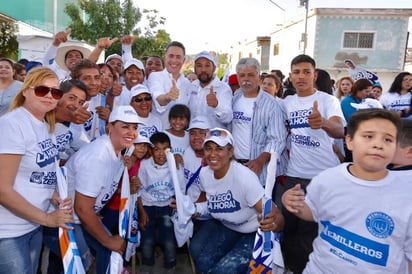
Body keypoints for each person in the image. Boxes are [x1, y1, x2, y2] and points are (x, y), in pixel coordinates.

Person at [282, 108, 412, 273]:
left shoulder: (406, 195)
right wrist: (292, 202)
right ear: (349, 141)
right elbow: (313, 213)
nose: (378, 144)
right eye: (368, 136)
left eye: (388, 139)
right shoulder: (328, 178)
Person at [0, 67, 73, 273]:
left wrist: (53, 194)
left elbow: (37, 171)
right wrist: (48, 219)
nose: (50, 96)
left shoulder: (43, 124)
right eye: (42, 90)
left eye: (56, 92)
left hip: (32, 226)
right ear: (25, 91)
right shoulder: (12, 125)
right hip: (8, 232)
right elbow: (2, 189)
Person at [280, 54, 345, 274]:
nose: (301, 76)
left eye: (306, 72)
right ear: (290, 76)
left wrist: (323, 123)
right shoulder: (287, 102)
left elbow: (339, 129)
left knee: (310, 234)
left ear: (314, 75)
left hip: (321, 177)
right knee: (286, 228)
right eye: (296, 72)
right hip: (293, 175)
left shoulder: (328, 101)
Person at [189, 128, 285, 274]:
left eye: (219, 149)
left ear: (231, 151)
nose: (213, 154)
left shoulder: (244, 177)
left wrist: (274, 222)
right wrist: (190, 208)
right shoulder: (204, 174)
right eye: (208, 148)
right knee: (202, 263)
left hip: (254, 231)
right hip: (229, 227)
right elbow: (212, 204)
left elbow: (277, 216)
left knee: (223, 271)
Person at [67, 105, 141, 274]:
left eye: (134, 127)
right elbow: (82, 208)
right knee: (85, 263)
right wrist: (107, 240)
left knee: (107, 255)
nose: (131, 132)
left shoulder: (119, 152)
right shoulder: (98, 156)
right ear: (109, 126)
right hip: (67, 220)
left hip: (80, 217)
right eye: (125, 126)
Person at [231, 57, 287, 186]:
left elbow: (277, 139)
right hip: (234, 166)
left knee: (260, 206)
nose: (246, 79)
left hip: (258, 169)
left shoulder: (271, 104)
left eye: (250, 75)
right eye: (242, 76)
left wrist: (260, 161)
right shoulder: (234, 99)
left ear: (259, 77)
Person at [137, 132, 178, 274]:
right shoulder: (144, 165)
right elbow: (138, 191)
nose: (161, 154)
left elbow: (181, 189)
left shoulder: (175, 164)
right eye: (157, 149)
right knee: (147, 239)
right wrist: (141, 212)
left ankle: (170, 265)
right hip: (147, 206)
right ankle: (147, 265)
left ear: (171, 149)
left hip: (166, 206)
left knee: (168, 239)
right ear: (150, 150)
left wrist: (178, 204)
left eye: (165, 149)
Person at [147, 41, 191, 128]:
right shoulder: (155, 76)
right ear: (165, 57)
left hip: (179, 136)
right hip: (158, 134)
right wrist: (167, 97)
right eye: (171, 56)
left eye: (178, 57)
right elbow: (158, 98)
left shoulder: (187, 83)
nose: (174, 60)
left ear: (184, 60)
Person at [189, 51, 233, 129]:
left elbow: (228, 118)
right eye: (199, 66)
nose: (203, 70)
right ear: (195, 68)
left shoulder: (223, 89)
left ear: (214, 68)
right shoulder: (191, 86)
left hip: (214, 139)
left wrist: (216, 105)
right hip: (194, 139)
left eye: (207, 66)